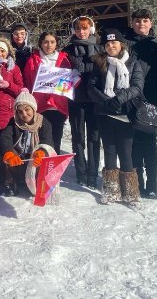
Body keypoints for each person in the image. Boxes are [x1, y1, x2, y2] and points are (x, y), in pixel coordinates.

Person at [87, 28, 146, 206]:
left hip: (125, 113)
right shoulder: (98, 62)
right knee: (110, 151)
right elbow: (91, 87)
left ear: (121, 44)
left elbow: (137, 87)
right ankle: (111, 190)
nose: (111, 45)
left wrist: (118, 99)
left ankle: (131, 192)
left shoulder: (133, 62)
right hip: (105, 113)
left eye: (114, 42)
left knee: (126, 152)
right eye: (107, 43)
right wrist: (106, 101)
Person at [124, 8, 157, 199]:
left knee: (149, 143)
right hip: (130, 100)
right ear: (132, 23)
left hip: (152, 100)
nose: (141, 24)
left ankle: (153, 184)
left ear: (151, 23)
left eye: (145, 21)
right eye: (137, 21)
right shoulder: (125, 44)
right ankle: (136, 182)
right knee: (133, 143)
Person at [63, 16, 102, 188]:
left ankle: (93, 174)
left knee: (94, 137)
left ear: (91, 30)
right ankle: (81, 172)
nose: (82, 32)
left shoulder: (100, 49)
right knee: (78, 137)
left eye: (85, 28)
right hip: (76, 100)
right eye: (78, 29)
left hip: (95, 100)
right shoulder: (68, 50)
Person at [22, 31, 71, 154]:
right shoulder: (33, 60)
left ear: (56, 44)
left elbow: (67, 82)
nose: (49, 45)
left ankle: (53, 169)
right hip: (39, 106)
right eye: (46, 42)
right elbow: (27, 81)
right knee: (40, 140)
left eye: (52, 42)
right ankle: (39, 168)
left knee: (56, 139)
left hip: (57, 106)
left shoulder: (63, 60)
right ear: (41, 44)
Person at [0, 91, 46, 196]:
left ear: (33, 108)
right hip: (19, 159)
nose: (24, 114)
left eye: (27, 109)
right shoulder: (13, 122)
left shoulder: (43, 122)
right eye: (20, 111)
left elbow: (48, 142)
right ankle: (10, 183)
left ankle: (37, 182)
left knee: (45, 156)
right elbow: (4, 138)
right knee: (4, 153)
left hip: (34, 159)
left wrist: (41, 152)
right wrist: (8, 153)